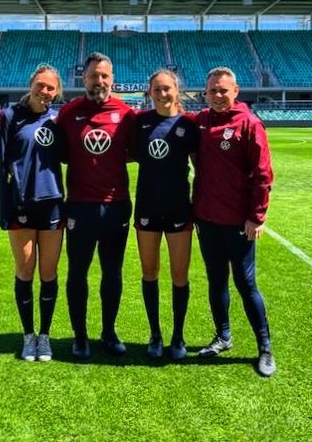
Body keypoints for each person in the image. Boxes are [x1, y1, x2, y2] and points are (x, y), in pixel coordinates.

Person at [193, 66, 276, 378]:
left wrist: (256, 217)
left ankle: (264, 347)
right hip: (206, 218)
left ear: (235, 91)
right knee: (216, 281)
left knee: (245, 283)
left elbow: (263, 175)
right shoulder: (200, 121)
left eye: (222, 90)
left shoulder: (249, 123)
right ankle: (223, 336)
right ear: (205, 92)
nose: (217, 95)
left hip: (239, 223)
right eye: (212, 90)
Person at [57, 52, 135, 359]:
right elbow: (59, 152)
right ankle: (80, 337)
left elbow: (135, 151)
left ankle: (109, 332)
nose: (98, 81)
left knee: (112, 273)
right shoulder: (69, 113)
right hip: (79, 206)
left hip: (116, 206)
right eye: (93, 75)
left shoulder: (126, 114)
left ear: (111, 79)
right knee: (77, 273)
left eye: (104, 76)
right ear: (83, 78)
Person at [0, 65, 64, 362]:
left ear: (57, 91)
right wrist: (3, 209)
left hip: (52, 205)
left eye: (50, 87)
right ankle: (28, 336)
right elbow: (0, 165)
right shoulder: (9, 116)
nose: (44, 91)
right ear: (31, 84)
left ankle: (44, 337)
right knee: (25, 271)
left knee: (48, 273)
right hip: (20, 206)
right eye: (40, 85)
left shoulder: (59, 119)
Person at [133, 69, 198, 360]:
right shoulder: (140, 123)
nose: (161, 94)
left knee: (179, 275)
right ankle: (155, 334)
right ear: (150, 93)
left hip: (178, 208)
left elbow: (202, 168)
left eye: (167, 89)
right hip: (147, 207)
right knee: (149, 272)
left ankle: (178, 336)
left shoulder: (188, 124)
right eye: (156, 89)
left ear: (177, 90)